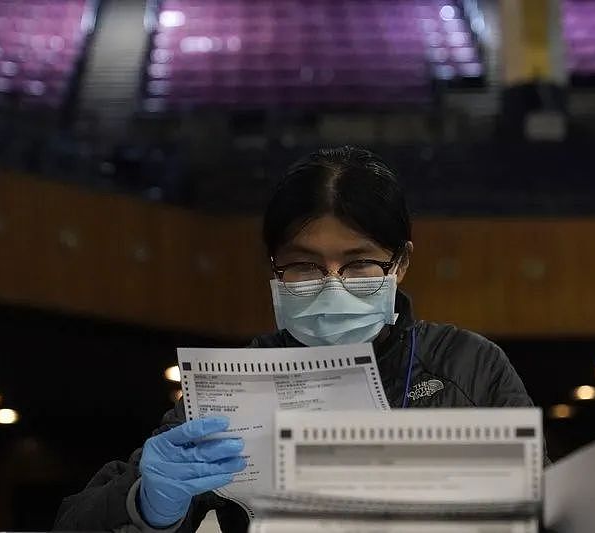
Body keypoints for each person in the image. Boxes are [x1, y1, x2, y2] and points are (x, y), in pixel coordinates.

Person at [54, 146, 543, 533]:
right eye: (303, 266)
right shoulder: (228, 390)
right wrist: (145, 504)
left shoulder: (467, 368)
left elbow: (551, 510)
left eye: (360, 263)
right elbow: (73, 523)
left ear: (402, 263)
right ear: (274, 268)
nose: (332, 284)